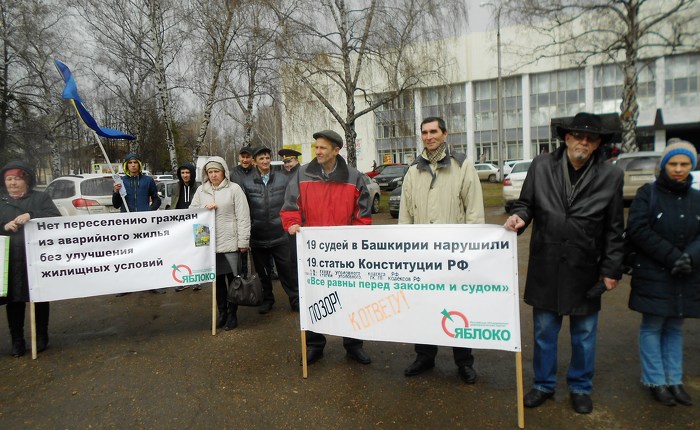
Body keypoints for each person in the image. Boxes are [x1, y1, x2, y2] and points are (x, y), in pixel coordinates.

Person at [504, 112, 625, 414]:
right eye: (578, 136)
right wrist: (520, 217)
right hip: (546, 265)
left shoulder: (611, 176)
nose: (584, 142)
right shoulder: (541, 166)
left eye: (591, 138)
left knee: (584, 336)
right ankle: (543, 384)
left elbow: (614, 228)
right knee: (544, 333)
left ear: (598, 144)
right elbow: (526, 203)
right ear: (567, 138)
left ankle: (580, 387)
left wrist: (611, 269)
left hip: (586, 268)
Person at [399, 116, 484, 385]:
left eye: (434, 131)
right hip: (422, 258)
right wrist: (404, 250)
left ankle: (464, 362)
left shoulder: (462, 165)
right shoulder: (414, 170)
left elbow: (474, 211)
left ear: (445, 134)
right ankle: (424, 356)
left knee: (457, 308)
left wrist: (471, 253)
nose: (429, 136)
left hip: (454, 257)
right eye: (424, 132)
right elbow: (405, 215)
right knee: (424, 307)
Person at [281, 129, 372, 366]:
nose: (318, 152)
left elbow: (362, 214)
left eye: (322, 148)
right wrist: (292, 224)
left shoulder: (354, 177)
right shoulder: (301, 174)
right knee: (313, 298)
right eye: (316, 147)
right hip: (312, 252)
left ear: (336, 150)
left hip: (345, 253)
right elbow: (290, 207)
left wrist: (355, 240)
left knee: (349, 298)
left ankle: (354, 345)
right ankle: (314, 345)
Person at [627, 139, 700, 407]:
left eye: (685, 164)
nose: (679, 169)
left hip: (686, 273)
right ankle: (655, 380)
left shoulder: (697, 198)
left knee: (675, 327)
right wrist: (673, 257)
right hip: (654, 273)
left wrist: (690, 256)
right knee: (653, 326)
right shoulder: (648, 194)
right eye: (673, 163)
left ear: (692, 165)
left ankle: (674, 380)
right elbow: (637, 230)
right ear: (664, 165)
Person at [1, 161, 60, 357]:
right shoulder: (1, 201)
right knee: (14, 301)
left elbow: (55, 218)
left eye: (17, 179)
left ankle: (41, 336)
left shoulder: (40, 198)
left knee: (39, 298)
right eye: (9, 179)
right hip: (10, 261)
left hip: (36, 259)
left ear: (26, 180)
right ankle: (17, 340)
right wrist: (4, 226)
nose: (13, 183)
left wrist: (31, 215)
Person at [190, 156, 250, 330]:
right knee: (217, 282)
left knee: (233, 281)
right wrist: (204, 209)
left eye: (216, 171)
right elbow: (192, 212)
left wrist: (243, 241)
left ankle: (232, 315)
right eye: (210, 172)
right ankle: (222, 313)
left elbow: (243, 217)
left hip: (230, 243)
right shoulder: (201, 191)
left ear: (224, 172)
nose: (213, 175)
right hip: (209, 245)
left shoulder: (234, 189)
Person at [241, 147, 299, 314]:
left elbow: (291, 204)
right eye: (261, 159)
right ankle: (267, 300)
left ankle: (295, 299)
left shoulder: (283, 179)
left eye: (267, 158)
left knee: (287, 271)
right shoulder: (247, 182)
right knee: (263, 273)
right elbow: (245, 209)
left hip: (280, 235)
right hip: (258, 236)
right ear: (255, 162)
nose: (265, 161)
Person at [112, 153, 164, 294]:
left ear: (139, 165)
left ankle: (151, 283)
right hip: (127, 224)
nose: (133, 165)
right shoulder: (121, 182)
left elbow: (156, 199)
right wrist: (116, 192)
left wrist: (149, 211)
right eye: (130, 163)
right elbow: (116, 204)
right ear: (126, 165)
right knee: (128, 255)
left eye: (135, 162)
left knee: (147, 254)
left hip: (144, 224)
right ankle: (127, 285)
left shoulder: (148, 180)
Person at [171, 162, 201, 291]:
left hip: (198, 225)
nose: (185, 175)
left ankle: (198, 279)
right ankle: (184, 278)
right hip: (181, 226)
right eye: (182, 173)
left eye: (187, 172)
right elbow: (173, 205)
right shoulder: (176, 187)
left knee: (198, 252)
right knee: (182, 253)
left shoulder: (200, 187)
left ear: (192, 173)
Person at [230, 146, 254, 277]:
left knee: (256, 249)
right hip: (238, 214)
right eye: (242, 157)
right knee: (241, 247)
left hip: (255, 213)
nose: (245, 160)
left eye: (247, 157)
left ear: (252, 158)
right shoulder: (233, 173)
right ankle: (242, 275)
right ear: (239, 157)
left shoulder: (256, 172)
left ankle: (259, 275)